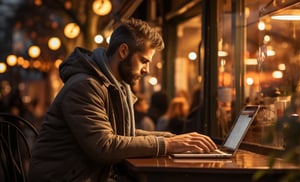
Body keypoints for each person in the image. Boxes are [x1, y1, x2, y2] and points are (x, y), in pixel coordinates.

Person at [28, 18, 217, 182]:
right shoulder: (85, 86)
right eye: (144, 61)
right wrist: (168, 145)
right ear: (124, 51)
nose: (147, 69)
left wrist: (173, 139)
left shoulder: (114, 85)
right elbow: (104, 146)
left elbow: (122, 134)